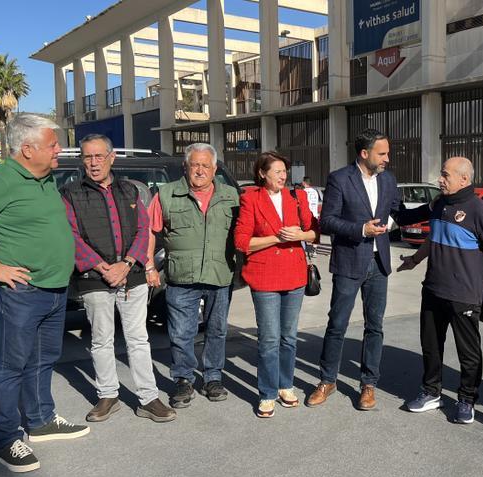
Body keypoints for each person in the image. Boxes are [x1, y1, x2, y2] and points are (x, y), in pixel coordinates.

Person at [0, 114, 89, 473]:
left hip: (54, 291)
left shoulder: (45, 179)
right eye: (53, 144)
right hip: (21, 294)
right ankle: (7, 438)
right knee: (11, 367)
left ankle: (40, 421)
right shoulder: (3, 180)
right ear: (28, 149)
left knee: (42, 360)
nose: (59, 149)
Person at [305, 128, 429, 410]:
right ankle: (327, 380)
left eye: (387, 152)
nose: (387, 158)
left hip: (379, 263)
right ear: (364, 154)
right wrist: (361, 229)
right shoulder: (340, 179)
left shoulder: (388, 180)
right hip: (349, 261)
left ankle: (368, 384)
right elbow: (328, 222)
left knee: (375, 327)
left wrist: (430, 207)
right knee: (337, 324)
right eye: (382, 153)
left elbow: (402, 214)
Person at [59, 134, 176, 424]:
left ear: (112, 157)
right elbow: (70, 236)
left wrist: (126, 264)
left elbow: (143, 228)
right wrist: (102, 267)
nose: (94, 162)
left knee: (138, 339)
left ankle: (148, 398)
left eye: (99, 156)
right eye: (88, 157)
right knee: (101, 340)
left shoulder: (129, 190)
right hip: (93, 278)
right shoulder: (70, 193)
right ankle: (108, 395)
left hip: (131, 277)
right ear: (82, 160)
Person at [398, 157, 483, 424]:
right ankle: (431, 392)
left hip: (464, 295)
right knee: (431, 346)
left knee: (468, 353)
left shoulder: (478, 210)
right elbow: (434, 239)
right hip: (433, 289)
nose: (440, 179)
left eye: (445, 175)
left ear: (464, 179)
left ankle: (467, 399)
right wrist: (414, 260)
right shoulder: (440, 204)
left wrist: (480, 280)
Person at [146, 143, 239, 408]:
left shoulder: (232, 196)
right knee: (181, 332)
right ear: (186, 167)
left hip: (220, 274)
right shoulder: (166, 194)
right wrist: (150, 267)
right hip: (181, 277)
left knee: (217, 330)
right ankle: (183, 380)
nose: (200, 170)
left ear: (215, 169)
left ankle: (212, 377)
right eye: (195, 164)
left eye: (205, 165)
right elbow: (151, 232)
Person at [234, 151, 318, 418]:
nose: (283, 176)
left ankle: (286, 385)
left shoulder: (297, 196)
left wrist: (300, 235)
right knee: (269, 338)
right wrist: (276, 238)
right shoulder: (251, 198)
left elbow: (315, 231)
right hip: (265, 276)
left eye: (285, 171)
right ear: (262, 173)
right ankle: (268, 392)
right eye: (277, 171)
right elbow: (242, 242)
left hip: (294, 275)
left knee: (288, 337)